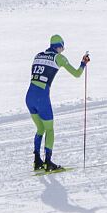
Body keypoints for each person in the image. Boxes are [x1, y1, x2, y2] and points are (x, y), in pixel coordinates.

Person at [26, 36, 89, 171]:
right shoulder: (59, 58)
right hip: (42, 97)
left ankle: (37, 160)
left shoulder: (38, 55)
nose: (63, 50)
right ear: (59, 47)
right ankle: (48, 162)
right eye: (62, 48)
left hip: (29, 96)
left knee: (40, 129)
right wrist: (83, 63)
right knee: (49, 129)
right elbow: (77, 74)